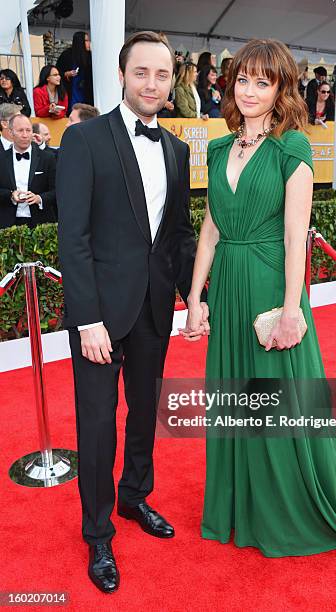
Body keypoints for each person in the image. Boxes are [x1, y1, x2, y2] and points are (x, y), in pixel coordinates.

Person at [180, 38, 336, 558]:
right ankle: (237, 503)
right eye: (243, 79)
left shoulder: (292, 147)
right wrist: (193, 297)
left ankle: (284, 506)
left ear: (281, 90)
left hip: (268, 289)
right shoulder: (216, 147)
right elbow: (210, 228)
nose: (249, 90)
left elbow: (295, 235)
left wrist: (292, 309)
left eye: (263, 81)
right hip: (228, 284)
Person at [57, 30, 204, 594]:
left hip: (151, 310)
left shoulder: (176, 149)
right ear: (122, 75)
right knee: (96, 427)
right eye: (142, 72)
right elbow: (73, 238)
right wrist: (86, 317)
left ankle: (134, 497)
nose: (152, 83)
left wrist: (194, 295)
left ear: (173, 82)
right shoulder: (85, 140)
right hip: (99, 314)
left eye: (163, 75)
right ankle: (97, 533)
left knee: (144, 413)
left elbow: (179, 235)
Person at [0, 114, 56, 229]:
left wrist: (39, 198)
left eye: (28, 130)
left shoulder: (48, 158)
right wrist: (10, 195)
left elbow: (57, 190)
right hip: (7, 224)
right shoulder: (1, 159)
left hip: (41, 224)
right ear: (11, 133)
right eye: (20, 131)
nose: (25, 135)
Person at [56, 31, 93, 112]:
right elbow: (57, 71)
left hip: (86, 93)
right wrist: (66, 74)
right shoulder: (67, 55)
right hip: (72, 92)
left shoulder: (90, 56)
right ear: (80, 42)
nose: (89, 43)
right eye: (86, 41)